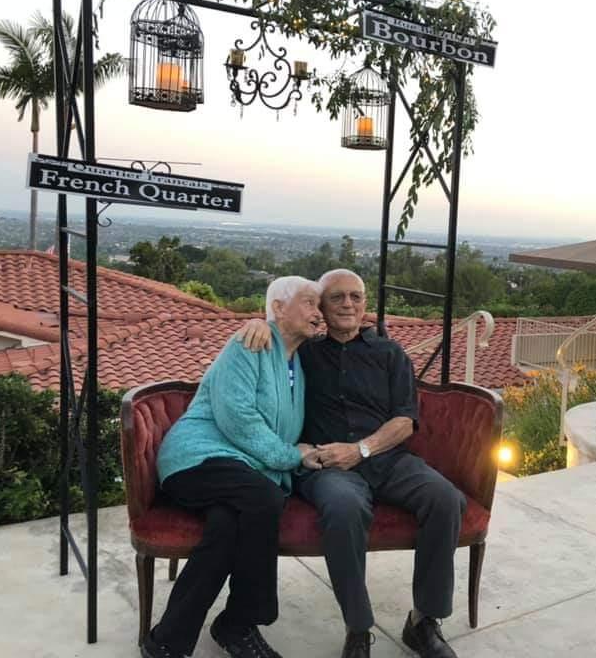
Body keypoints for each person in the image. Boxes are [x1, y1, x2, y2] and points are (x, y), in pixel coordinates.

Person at [239, 268, 465, 658]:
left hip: (387, 457)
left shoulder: (390, 354)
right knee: (343, 507)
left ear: (365, 305)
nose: (348, 304)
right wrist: (257, 322)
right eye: (337, 297)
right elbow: (278, 327)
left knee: (445, 498)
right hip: (326, 465)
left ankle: (424, 621)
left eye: (355, 297)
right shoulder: (302, 351)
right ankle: (358, 628)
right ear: (321, 307)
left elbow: (405, 420)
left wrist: (361, 449)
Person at [141, 276, 323, 658]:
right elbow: (238, 417)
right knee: (264, 498)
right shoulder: (248, 344)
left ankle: (167, 642)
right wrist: (293, 456)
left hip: (239, 472)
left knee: (226, 527)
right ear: (276, 308)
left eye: (318, 304)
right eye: (309, 302)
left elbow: (348, 333)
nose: (317, 312)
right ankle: (241, 623)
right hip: (197, 459)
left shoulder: (299, 361)